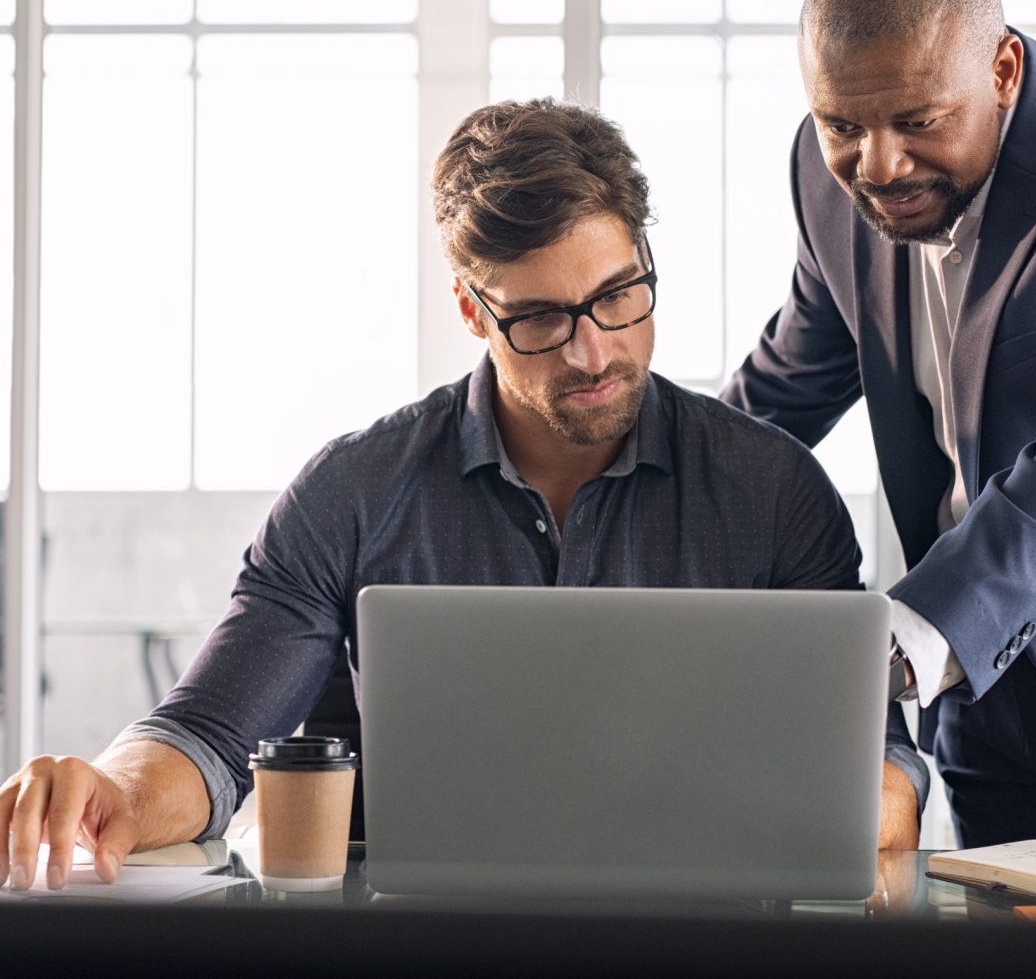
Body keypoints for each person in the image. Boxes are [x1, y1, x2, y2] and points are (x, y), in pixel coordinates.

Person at [0, 99, 924, 892]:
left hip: (706, 942)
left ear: (644, 258)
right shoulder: (355, 492)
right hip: (421, 943)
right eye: (538, 320)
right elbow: (207, 733)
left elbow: (884, 775)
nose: (593, 351)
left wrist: (869, 798)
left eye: (618, 296)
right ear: (472, 310)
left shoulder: (773, 491)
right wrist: (115, 790)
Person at [723, 0, 1036, 848]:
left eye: (918, 121)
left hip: (946, 638)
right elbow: (785, 388)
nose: (876, 166)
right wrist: (636, 483)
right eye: (843, 124)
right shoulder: (822, 171)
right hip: (993, 710)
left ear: (1004, 72)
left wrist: (899, 641)